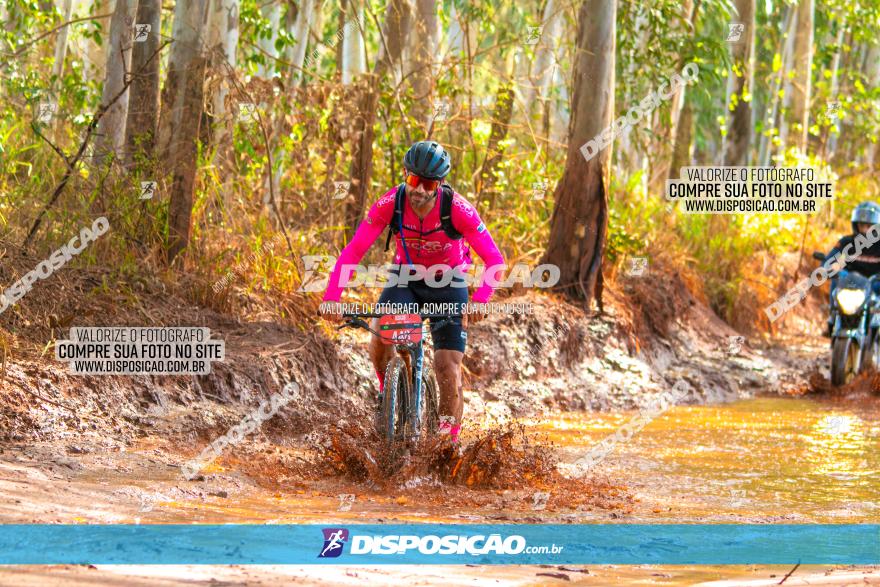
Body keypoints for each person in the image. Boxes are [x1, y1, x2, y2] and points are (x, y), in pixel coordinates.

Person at [318, 141, 505, 443]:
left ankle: (447, 440)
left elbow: (495, 260)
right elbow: (354, 251)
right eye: (412, 180)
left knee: (447, 366)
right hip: (406, 279)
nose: (418, 189)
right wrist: (331, 298)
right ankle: (387, 391)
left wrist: (480, 301)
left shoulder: (458, 210)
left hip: (450, 283)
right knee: (381, 334)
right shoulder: (390, 203)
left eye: (427, 182)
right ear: (405, 175)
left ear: (439, 184)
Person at [823, 201, 880, 335]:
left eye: (869, 226)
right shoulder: (846, 242)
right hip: (851, 282)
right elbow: (831, 258)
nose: (865, 230)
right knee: (836, 280)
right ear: (856, 225)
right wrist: (827, 268)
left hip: (874, 283)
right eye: (862, 225)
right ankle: (833, 317)